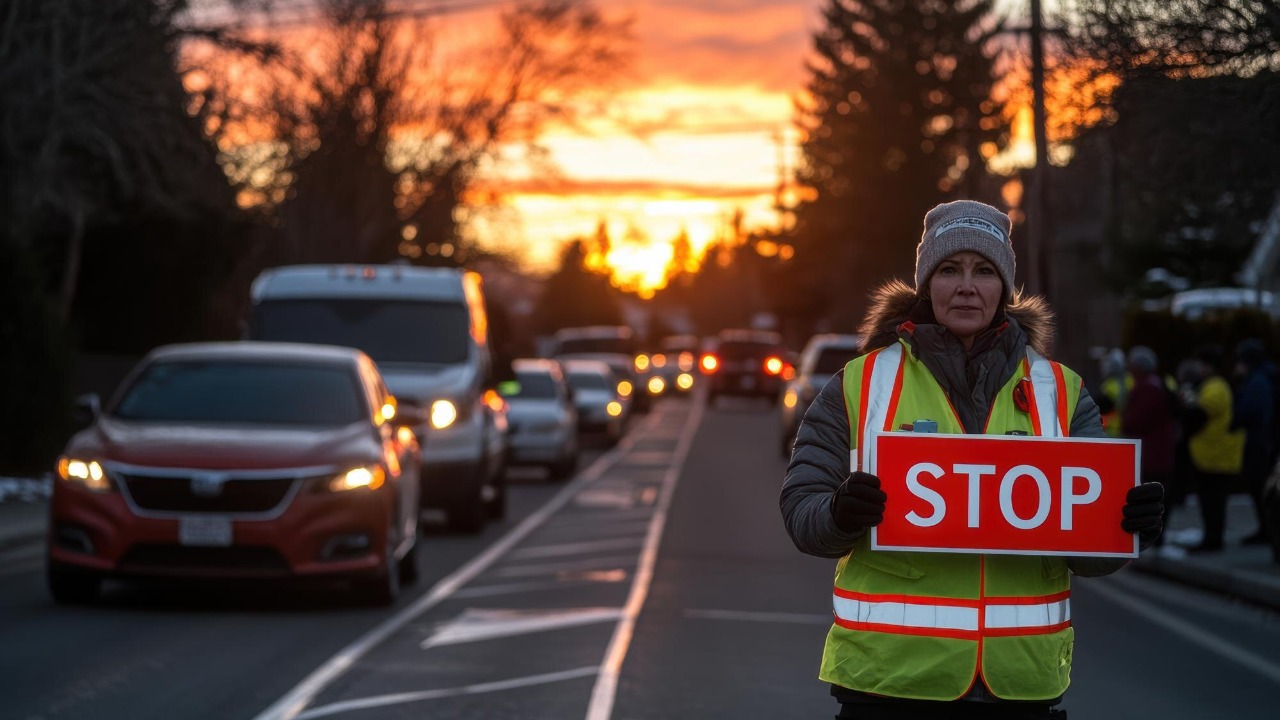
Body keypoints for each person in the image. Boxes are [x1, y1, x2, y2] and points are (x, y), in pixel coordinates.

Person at [779, 200, 1165, 719]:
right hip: (888, 686)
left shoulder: (1062, 393)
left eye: (984, 271)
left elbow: (1092, 555)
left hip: (1019, 688)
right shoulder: (859, 384)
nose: (967, 286)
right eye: (949, 270)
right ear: (926, 284)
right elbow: (803, 509)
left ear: (1004, 288)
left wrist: (1126, 526)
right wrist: (840, 515)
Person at [1183, 345, 1244, 553]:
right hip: (1213, 453)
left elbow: (1200, 414)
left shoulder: (1215, 387)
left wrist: (1188, 405)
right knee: (1212, 501)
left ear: (1210, 367)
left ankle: (1212, 540)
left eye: (1202, 364)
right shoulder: (1215, 385)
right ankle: (1212, 538)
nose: (1199, 368)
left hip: (1215, 455)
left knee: (1213, 502)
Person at [1121, 346, 1178, 544]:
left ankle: (1153, 537)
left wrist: (1125, 420)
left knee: (1153, 496)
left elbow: (1136, 420)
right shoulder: (1153, 384)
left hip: (1152, 454)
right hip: (1155, 452)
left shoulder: (1148, 388)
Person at [1230, 339, 1274, 545]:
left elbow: (1250, 411)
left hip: (1260, 443)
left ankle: (1268, 531)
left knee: (1261, 489)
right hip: (1264, 442)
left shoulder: (1257, 381)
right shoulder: (1264, 377)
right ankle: (1267, 530)